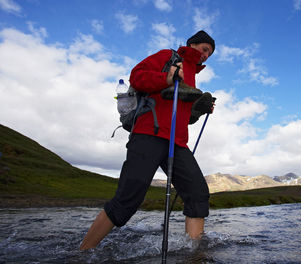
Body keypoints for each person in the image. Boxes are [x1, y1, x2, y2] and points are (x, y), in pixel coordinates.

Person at [80, 30, 215, 250]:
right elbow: (137, 76)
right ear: (192, 44)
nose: (206, 56)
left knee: (198, 194)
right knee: (128, 198)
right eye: (205, 49)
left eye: (210, 54)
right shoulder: (168, 57)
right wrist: (167, 76)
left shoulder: (192, 74)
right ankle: (82, 253)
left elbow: (183, 115)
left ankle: (194, 256)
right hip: (148, 133)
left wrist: (199, 110)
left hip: (177, 142)